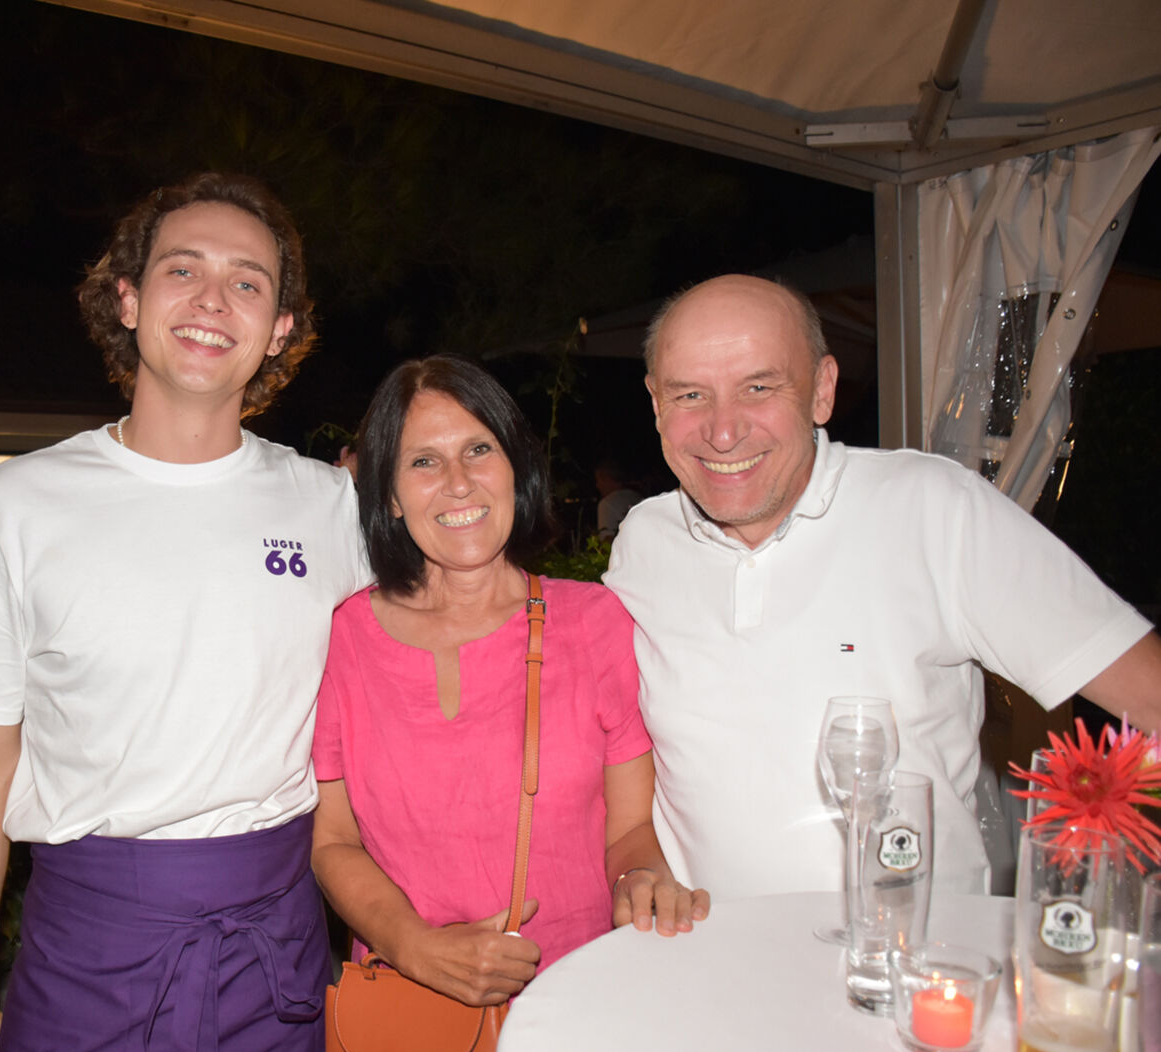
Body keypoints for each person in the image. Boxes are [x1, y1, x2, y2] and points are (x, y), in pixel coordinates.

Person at [0, 173, 368, 1052]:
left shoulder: (330, 507)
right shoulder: (22, 504)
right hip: (87, 954)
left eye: (247, 281)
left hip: (279, 951)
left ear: (279, 328)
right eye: (182, 270)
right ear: (127, 299)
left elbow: (381, 726)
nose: (212, 300)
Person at [605, 273, 1161, 901]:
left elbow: (1150, 697)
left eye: (758, 387)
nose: (723, 431)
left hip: (910, 952)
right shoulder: (643, 543)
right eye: (690, 395)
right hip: (706, 951)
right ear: (656, 404)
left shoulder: (935, 510)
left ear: (822, 390)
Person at [312, 355, 709, 1013]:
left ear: (515, 468)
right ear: (389, 495)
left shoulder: (593, 622)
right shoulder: (344, 637)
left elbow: (630, 827)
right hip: (410, 1013)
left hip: (580, 1002)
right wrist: (414, 945)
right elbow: (333, 840)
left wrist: (641, 880)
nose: (458, 483)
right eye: (424, 461)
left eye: (478, 450)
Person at [593, 459, 644, 541]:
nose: (598, 485)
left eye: (599, 480)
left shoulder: (606, 504)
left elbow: (607, 541)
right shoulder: (638, 497)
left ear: (608, 479)